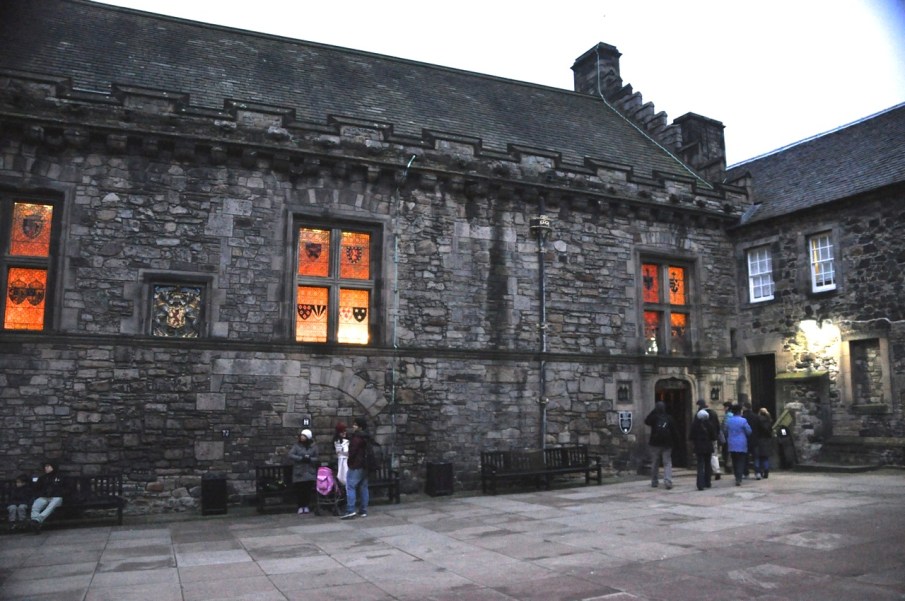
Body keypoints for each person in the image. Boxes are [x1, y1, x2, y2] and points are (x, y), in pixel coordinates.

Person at [341, 417, 371, 519]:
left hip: (356, 465)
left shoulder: (357, 438)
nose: (353, 426)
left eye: (355, 425)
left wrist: (350, 462)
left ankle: (350, 510)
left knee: (350, 486)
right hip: (365, 465)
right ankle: (363, 510)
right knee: (363, 487)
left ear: (360, 427)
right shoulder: (367, 436)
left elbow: (352, 452)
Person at [644, 401, 677, 490]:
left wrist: (653, 411)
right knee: (667, 462)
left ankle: (654, 481)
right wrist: (675, 442)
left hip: (655, 443)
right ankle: (668, 481)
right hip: (667, 444)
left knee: (655, 462)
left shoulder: (654, 418)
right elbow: (674, 431)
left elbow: (646, 421)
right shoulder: (669, 418)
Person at [288, 429, 319, 515]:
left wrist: (309, 459)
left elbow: (317, 458)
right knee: (300, 490)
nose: (302, 437)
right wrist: (301, 458)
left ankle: (306, 505)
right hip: (299, 471)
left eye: (304, 436)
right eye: (301, 435)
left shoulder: (314, 446)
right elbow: (290, 455)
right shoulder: (296, 446)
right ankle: (300, 506)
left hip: (309, 471)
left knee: (307, 490)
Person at [31, 461, 65, 533]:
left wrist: (60, 492)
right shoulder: (43, 478)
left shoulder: (60, 476)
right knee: (36, 505)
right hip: (44, 497)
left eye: (48, 466)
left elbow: (65, 487)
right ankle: (35, 522)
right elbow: (36, 488)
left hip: (56, 496)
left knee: (51, 506)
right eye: (45, 466)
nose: (46, 468)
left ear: (53, 467)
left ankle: (38, 520)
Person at [724, 404, 752, 486]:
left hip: (731, 442)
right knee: (741, 461)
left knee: (734, 460)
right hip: (741, 442)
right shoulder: (743, 420)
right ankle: (739, 478)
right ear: (740, 411)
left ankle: (736, 475)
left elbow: (725, 431)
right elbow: (749, 431)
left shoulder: (729, 420)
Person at [696, 399, 723, 481]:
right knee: (714, 455)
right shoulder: (713, 413)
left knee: (704, 457)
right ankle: (717, 470)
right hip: (713, 437)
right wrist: (716, 435)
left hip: (703, 439)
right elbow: (718, 426)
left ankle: (707, 472)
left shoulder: (699, 414)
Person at [689, 409, 716, 491]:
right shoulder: (710, 425)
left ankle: (700, 484)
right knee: (708, 465)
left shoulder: (695, 425)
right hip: (708, 447)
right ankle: (707, 482)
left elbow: (691, 436)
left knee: (700, 466)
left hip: (699, 447)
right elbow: (714, 437)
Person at [754, 407, 775, 479]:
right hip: (767, 440)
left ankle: (759, 472)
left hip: (759, 440)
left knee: (758, 457)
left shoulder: (757, 420)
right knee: (765, 457)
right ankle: (766, 471)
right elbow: (771, 431)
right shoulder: (769, 420)